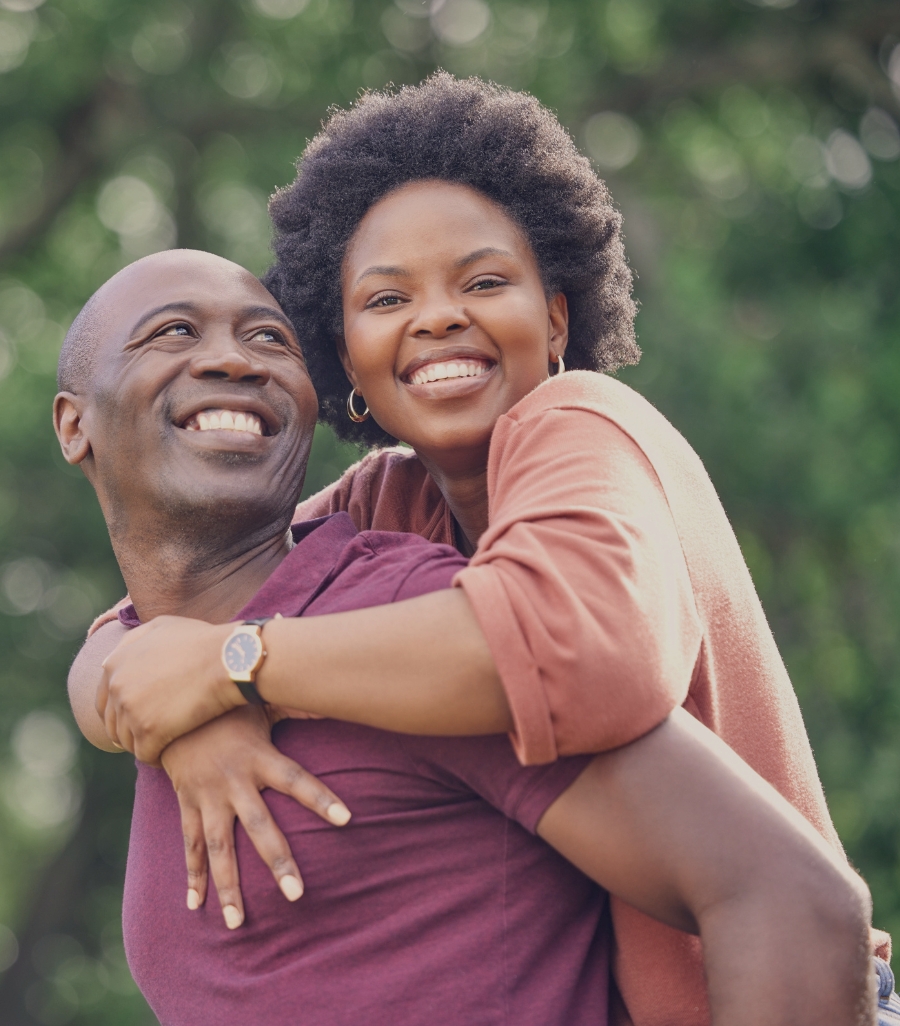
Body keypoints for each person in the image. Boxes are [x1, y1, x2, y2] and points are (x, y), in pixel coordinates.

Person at [68, 75, 895, 1024]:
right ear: (349, 369)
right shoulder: (388, 502)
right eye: (387, 299)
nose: (439, 316)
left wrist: (234, 667)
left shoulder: (583, 425)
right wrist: (176, 715)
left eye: (486, 282)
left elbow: (574, 652)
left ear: (556, 319)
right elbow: (140, 629)